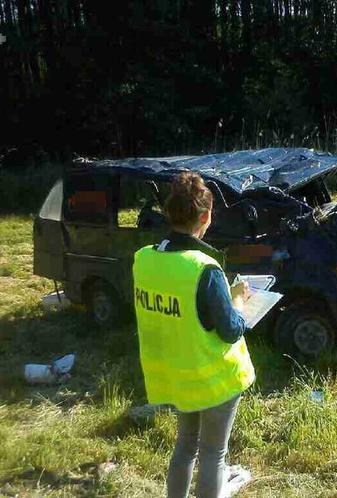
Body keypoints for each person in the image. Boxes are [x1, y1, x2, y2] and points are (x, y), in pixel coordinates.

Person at [132, 171, 255, 498]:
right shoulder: (205, 268)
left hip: (176, 373)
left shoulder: (143, 260)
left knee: (185, 447)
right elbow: (230, 329)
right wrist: (238, 299)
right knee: (214, 453)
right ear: (205, 216)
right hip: (214, 379)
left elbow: (182, 306)